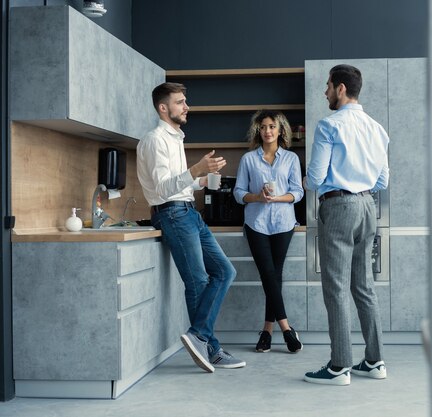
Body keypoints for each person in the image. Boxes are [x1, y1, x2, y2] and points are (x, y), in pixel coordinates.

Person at [136, 82, 245, 373]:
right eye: (180, 102)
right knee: (198, 281)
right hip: (172, 214)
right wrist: (195, 170)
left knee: (224, 272)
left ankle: (200, 337)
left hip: (188, 212)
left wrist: (202, 179)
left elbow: (179, 186)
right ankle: (212, 349)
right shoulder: (155, 140)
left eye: (185, 101)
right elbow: (161, 190)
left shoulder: (175, 139)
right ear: (163, 107)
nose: (186, 107)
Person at [303, 64, 390, 386]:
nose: (325, 92)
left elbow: (314, 178)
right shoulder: (377, 129)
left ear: (340, 88)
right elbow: (382, 179)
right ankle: (374, 361)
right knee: (363, 286)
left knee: (336, 288)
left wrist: (327, 184)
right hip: (368, 205)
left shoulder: (330, 126)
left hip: (339, 205)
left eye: (327, 86)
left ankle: (340, 366)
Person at [234, 110, 304, 353]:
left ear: (280, 130)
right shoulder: (248, 160)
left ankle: (266, 331)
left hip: (284, 223)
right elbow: (238, 192)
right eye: (263, 127)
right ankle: (286, 329)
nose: (267, 131)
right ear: (258, 131)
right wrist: (257, 197)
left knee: (274, 275)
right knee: (267, 273)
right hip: (257, 223)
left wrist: (276, 199)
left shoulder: (291, 159)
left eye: (272, 126)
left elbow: (298, 192)